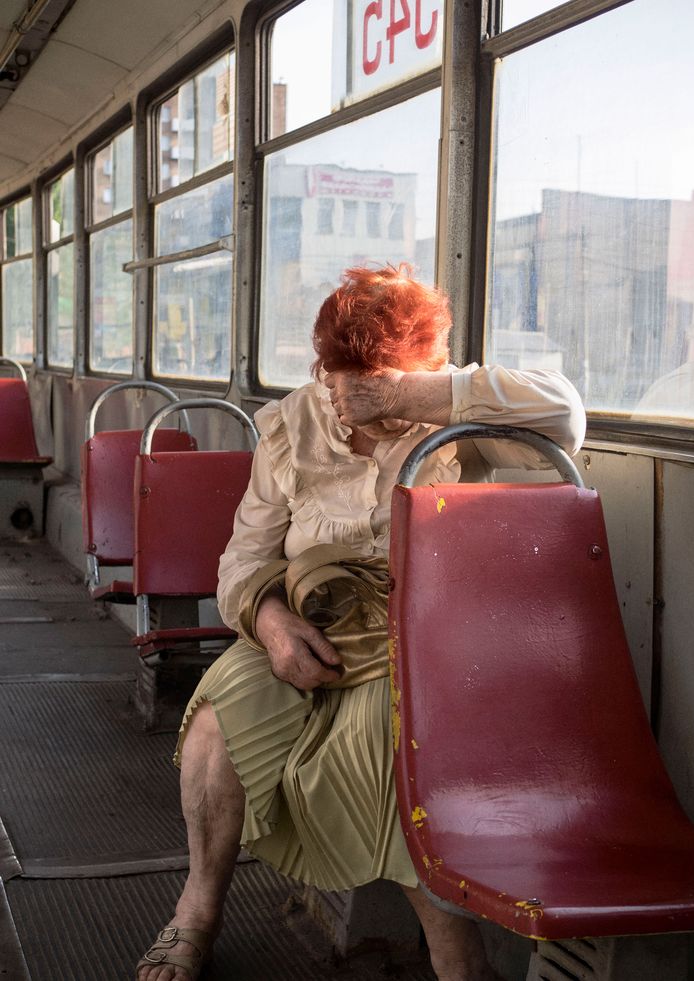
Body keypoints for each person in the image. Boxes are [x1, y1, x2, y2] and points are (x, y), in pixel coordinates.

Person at [136, 265, 586, 981]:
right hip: (301, 620)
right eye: (342, 379)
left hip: (419, 638)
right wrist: (272, 622)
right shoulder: (293, 425)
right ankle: (197, 908)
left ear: (424, 364)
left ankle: (456, 960)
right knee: (214, 727)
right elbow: (240, 562)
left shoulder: (457, 417)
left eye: (377, 381)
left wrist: (410, 397)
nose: (355, 404)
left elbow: (565, 415)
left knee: (392, 751)